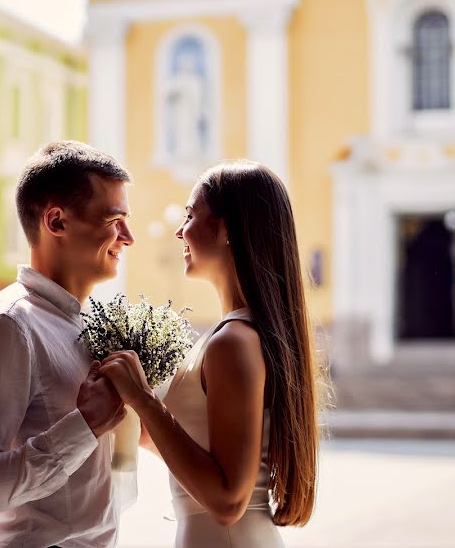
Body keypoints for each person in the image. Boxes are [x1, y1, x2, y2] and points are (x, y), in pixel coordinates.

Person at [100, 160, 319, 547]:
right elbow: (196, 451)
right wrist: (130, 412)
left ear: (227, 228)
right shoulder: (236, 335)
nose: (179, 231)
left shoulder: (232, 342)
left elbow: (228, 501)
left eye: (189, 215)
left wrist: (145, 400)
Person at [0, 140, 136, 548]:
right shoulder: (10, 325)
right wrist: (84, 427)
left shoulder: (90, 326)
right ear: (57, 222)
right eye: (113, 219)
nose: (128, 237)